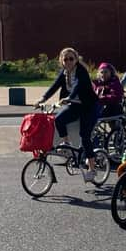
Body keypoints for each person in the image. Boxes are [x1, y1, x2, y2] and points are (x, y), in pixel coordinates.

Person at [34, 48, 99, 182]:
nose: (68, 61)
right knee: (58, 120)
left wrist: (69, 97)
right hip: (75, 105)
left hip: (89, 106)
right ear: (61, 61)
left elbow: (78, 86)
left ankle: (92, 170)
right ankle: (66, 144)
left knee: (84, 135)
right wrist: (42, 99)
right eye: (65, 59)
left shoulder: (81, 71)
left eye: (71, 58)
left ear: (76, 59)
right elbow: (55, 86)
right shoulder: (64, 73)